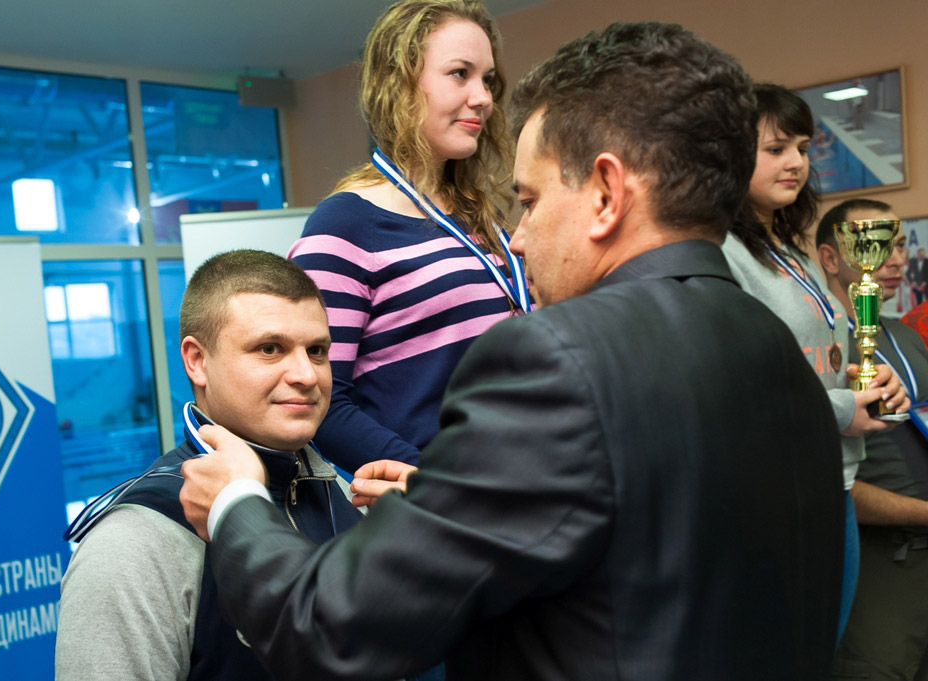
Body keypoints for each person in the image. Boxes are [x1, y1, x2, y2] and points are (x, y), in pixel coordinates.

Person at [179, 23, 849, 680]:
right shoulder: (778, 351)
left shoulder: (554, 361)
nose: (519, 237)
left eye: (531, 200)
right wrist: (456, 497)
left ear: (607, 194)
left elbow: (329, 625)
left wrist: (238, 502)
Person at [55, 250, 362, 681]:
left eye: (316, 351)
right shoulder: (136, 540)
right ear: (197, 361)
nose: (307, 375)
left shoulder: (347, 499)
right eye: (269, 349)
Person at [287, 0, 530, 474]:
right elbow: (321, 402)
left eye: (488, 80)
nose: (483, 97)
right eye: (460, 74)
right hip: (444, 501)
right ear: (398, 84)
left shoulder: (477, 217)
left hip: (520, 484)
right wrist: (433, 489)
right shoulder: (345, 225)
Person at [719, 83, 908, 641]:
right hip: (778, 493)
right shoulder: (719, 251)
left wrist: (869, 377)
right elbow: (736, 387)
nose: (796, 163)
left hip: (833, 480)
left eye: (802, 148)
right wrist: (844, 408)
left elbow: (817, 359)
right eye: (776, 149)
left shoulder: (788, 252)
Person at [816, 199, 928, 681]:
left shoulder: (906, 334)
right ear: (829, 258)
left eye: (898, 245)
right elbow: (823, 478)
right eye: (874, 246)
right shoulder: (820, 346)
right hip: (879, 562)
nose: (894, 259)